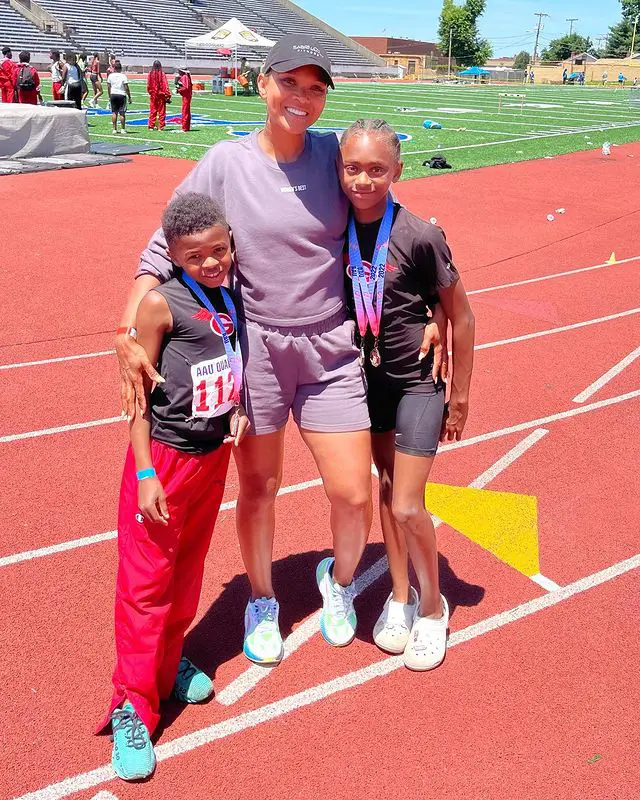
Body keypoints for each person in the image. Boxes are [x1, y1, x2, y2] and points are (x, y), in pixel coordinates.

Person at [116, 36, 384, 665]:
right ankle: (261, 598)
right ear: (263, 85)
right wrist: (130, 332)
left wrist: (429, 306)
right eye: (290, 83)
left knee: (351, 492)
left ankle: (338, 584)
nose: (302, 97)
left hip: (330, 345)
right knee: (259, 488)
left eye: (316, 88)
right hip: (254, 347)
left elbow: (383, 217)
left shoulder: (333, 155)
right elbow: (163, 247)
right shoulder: (224, 163)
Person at [96, 192, 250, 781]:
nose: (212, 262)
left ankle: (169, 663)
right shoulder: (162, 304)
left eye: (219, 249)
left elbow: (224, 363)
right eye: (196, 255)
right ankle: (132, 707)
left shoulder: (228, 293)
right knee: (145, 585)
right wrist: (143, 472)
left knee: (187, 572)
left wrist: (233, 410)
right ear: (175, 255)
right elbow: (138, 399)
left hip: (213, 456)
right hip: (164, 461)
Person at [339, 119, 474, 670]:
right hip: (364, 381)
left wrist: (460, 394)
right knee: (386, 487)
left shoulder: (420, 235)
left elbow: (461, 313)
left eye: (377, 169)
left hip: (417, 381)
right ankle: (400, 595)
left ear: (397, 169)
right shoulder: (329, 227)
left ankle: (435, 607)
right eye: (353, 168)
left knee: (406, 502)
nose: (364, 180)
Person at [107, 59, 132, 134]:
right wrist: (129, 96)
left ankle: (114, 129)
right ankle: (122, 129)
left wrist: (109, 95)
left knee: (114, 112)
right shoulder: (123, 76)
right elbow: (126, 87)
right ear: (121, 68)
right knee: (122, 113)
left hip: (113, 94)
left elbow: (108, 86)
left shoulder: (111, 76)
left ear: (114, 68)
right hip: (121, 94)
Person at [147, 59, 171, 131]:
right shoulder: (162, 74)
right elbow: (165, 85)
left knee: (153, 111)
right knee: (162, 111)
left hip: (153, 95)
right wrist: (168, 96)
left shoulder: (150, 74)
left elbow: (148, 86)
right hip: (161, 96)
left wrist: (151, 92)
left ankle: (151, 126)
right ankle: (161, 126)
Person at [175, 66, 193, 132]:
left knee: (185, 111)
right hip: (187, 95)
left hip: (186, 96)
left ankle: (185, 127)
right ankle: (186, 127)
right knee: (186, 111)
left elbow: (185, 88)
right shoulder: (185, 77)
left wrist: (178, 90)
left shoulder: (185, 77)